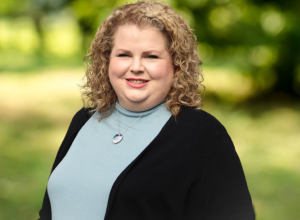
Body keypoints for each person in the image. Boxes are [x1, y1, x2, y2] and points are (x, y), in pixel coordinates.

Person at [38, 1, 255, 220]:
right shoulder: (84, 120)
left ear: (176, 64)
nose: (136, 67)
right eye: (124, 55)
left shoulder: (203, 133)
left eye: (151, 56)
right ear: (107, 60)